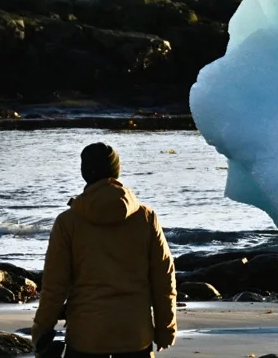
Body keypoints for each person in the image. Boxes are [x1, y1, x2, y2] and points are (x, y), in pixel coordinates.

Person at [32, 142, 177, 357]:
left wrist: (41, 330)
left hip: (86, 335)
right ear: (116, 171)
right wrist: (166, 329)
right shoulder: (145, 217)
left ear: (84, 173)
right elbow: (163, 278)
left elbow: (54, 285)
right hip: (135, 334)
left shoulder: (68, 222)